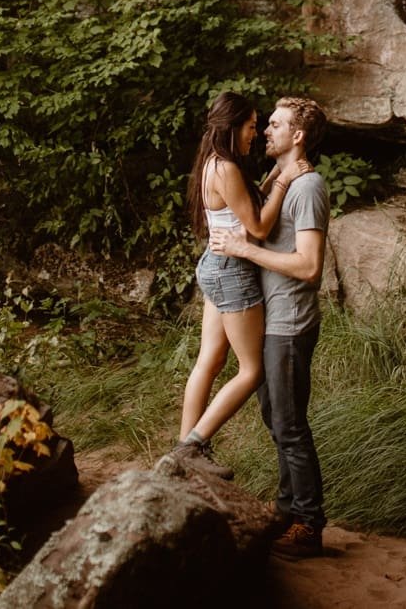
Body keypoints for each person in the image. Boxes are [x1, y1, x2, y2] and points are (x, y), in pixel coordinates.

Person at [211, 95, 330, 559]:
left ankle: (309, 524)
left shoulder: (308, 187)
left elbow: (309, 267)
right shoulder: (281, 179)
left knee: (290, 425)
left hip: (290, 323)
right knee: (276, 421)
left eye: (276, 125)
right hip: (270, 319)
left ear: (297, 136)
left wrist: (245, 252)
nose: (266, 131)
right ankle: (287, 510)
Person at [172, 91, 309, 475]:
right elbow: (259, 226)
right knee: (252, 370)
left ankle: (183, 455)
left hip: (216, 265)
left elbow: (247, 206)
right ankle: (192, 448)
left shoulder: (215, 163)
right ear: (233, 127)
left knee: (210, 361)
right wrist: (285, 181)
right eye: (251, 126)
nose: (256, 133)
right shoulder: (227, 169)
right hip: (232, 272)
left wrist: (274, 177)